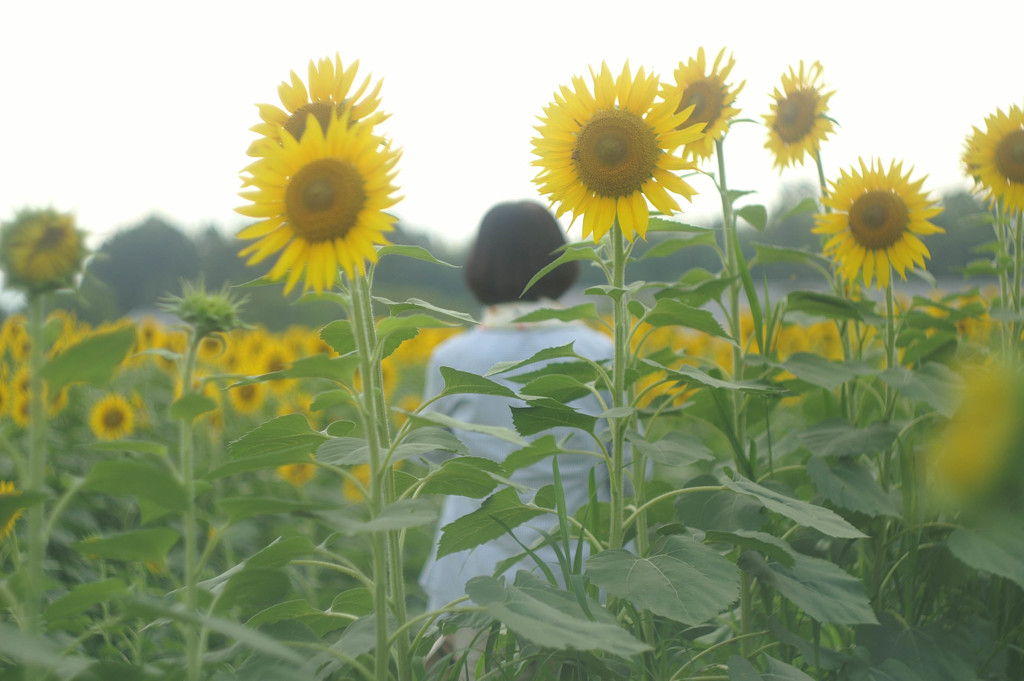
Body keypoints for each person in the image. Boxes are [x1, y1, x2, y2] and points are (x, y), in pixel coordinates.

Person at [418, 200, 614, 672]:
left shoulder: (452, 358)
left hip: (470, 582)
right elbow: (623, 476)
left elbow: (433, 467)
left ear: (479, 263)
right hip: (574, 584)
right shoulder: (600, 353)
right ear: (562, 260)